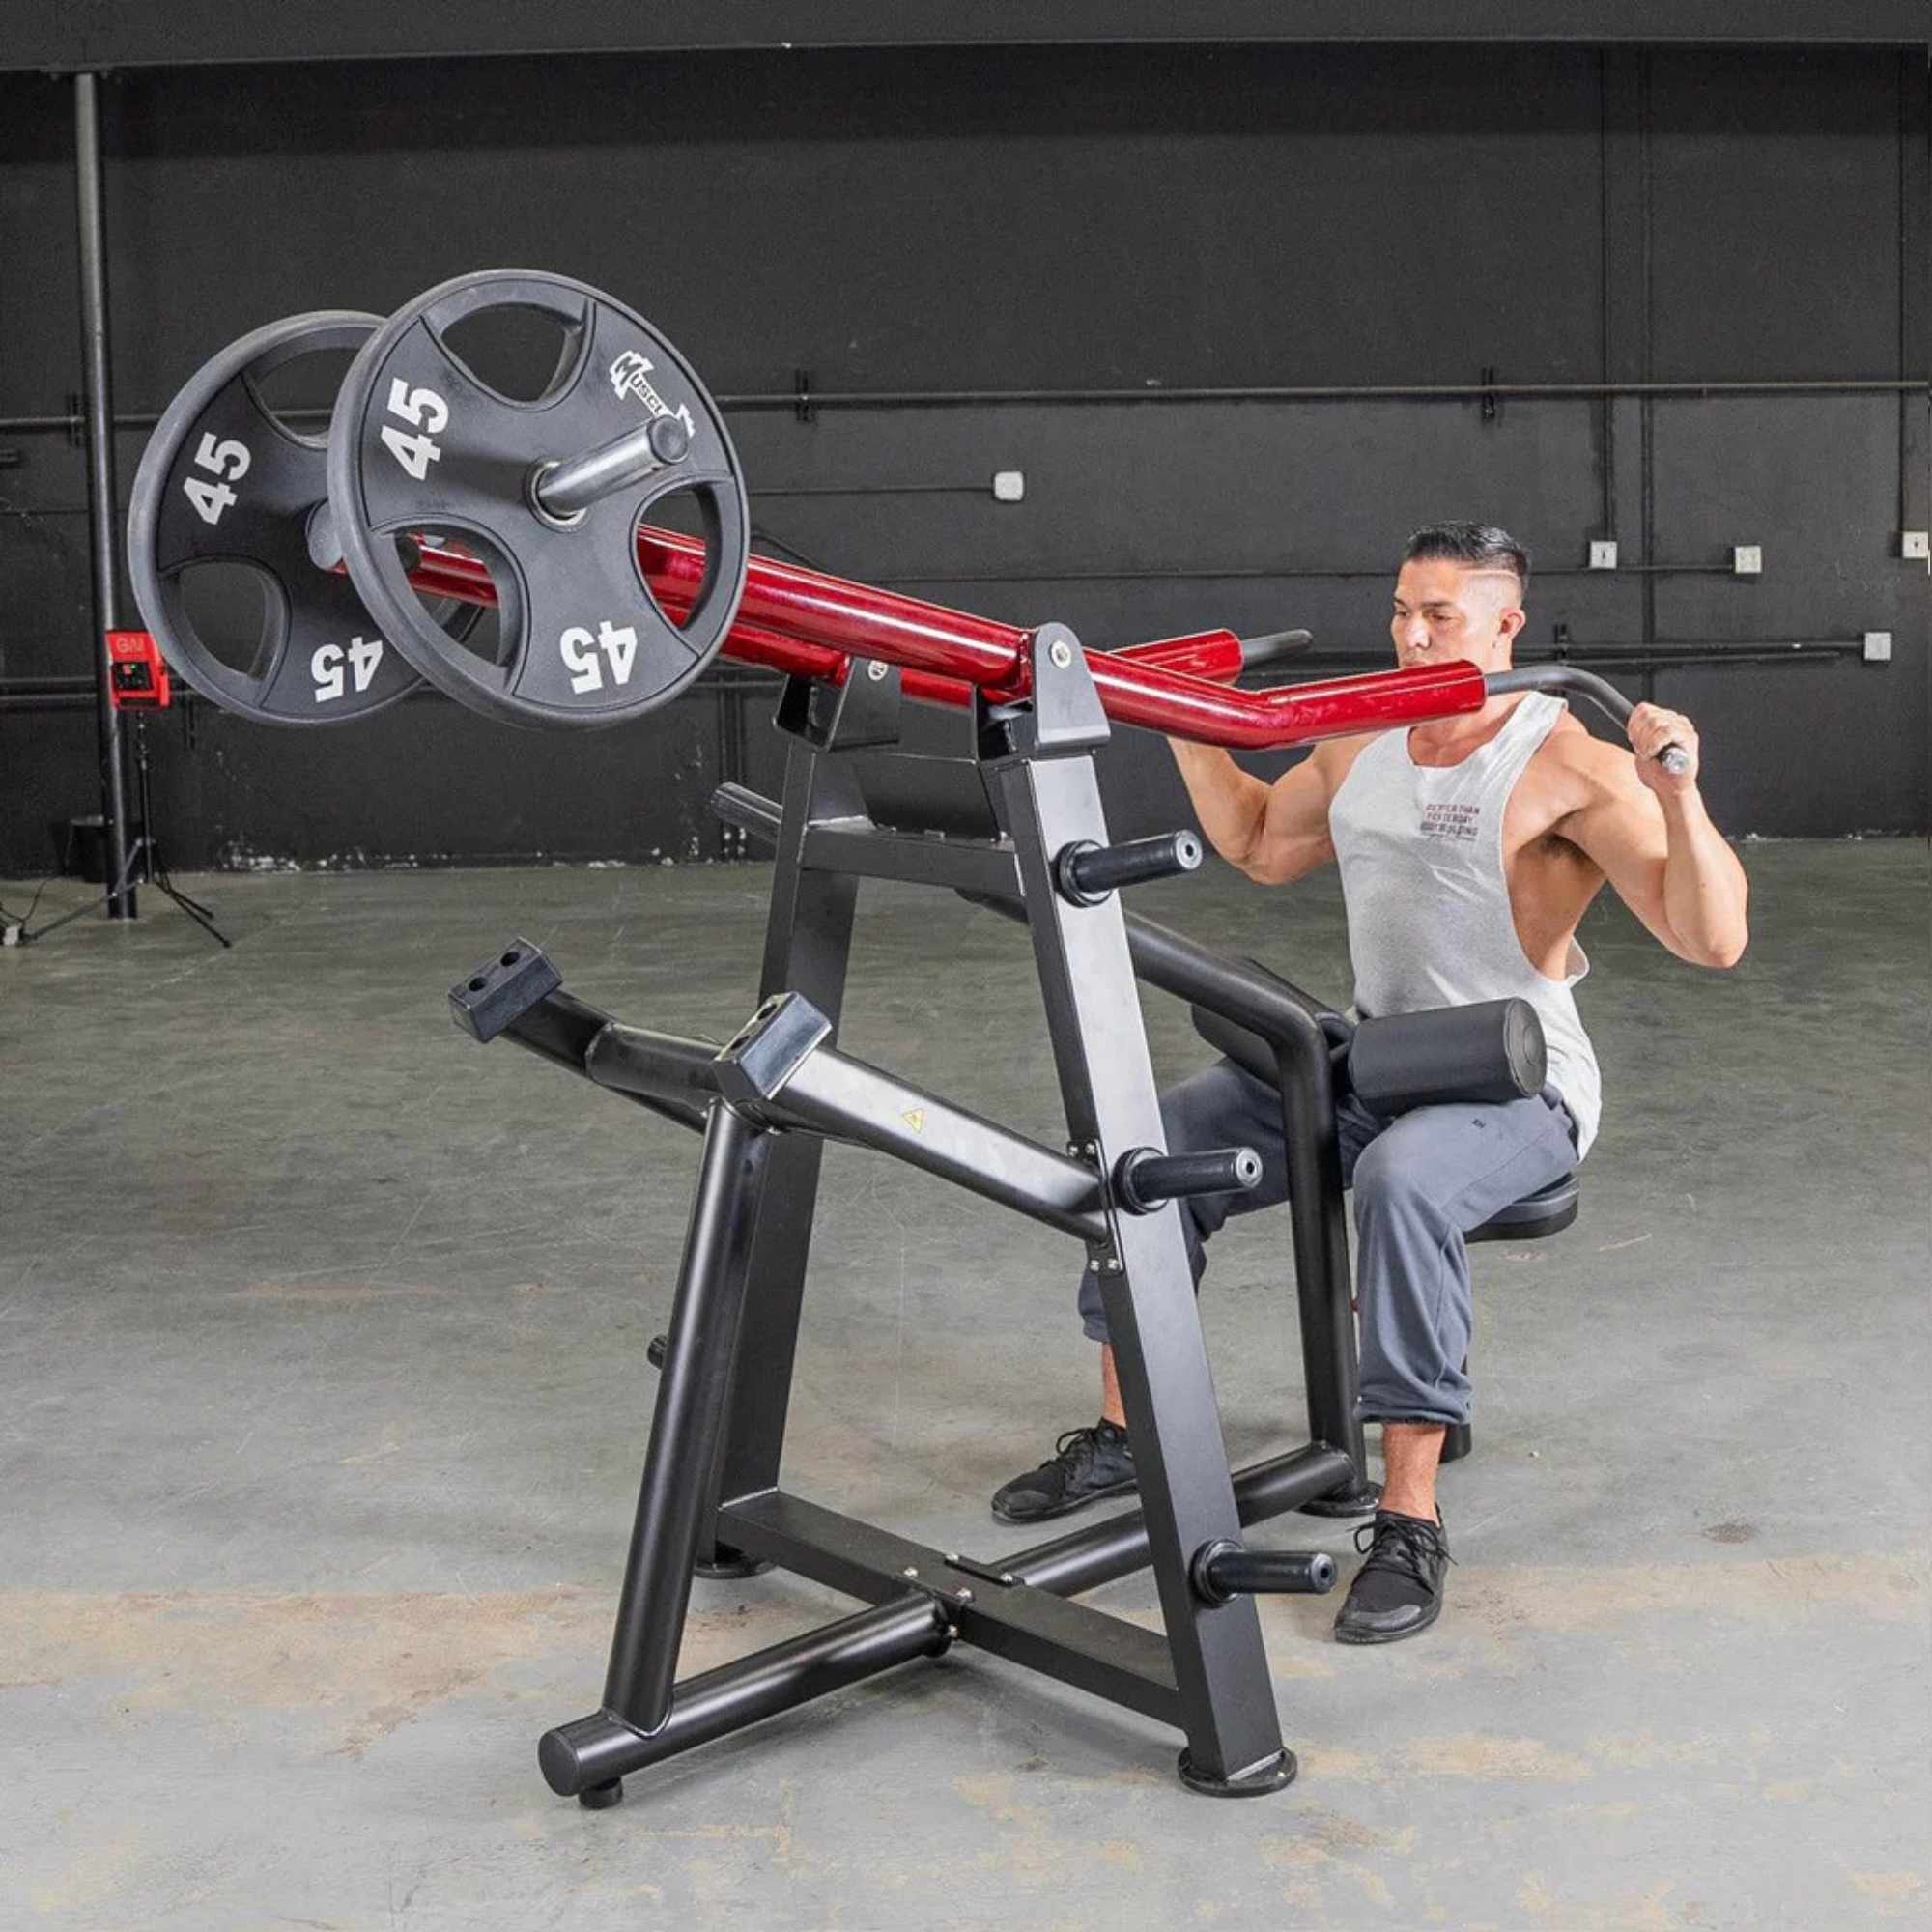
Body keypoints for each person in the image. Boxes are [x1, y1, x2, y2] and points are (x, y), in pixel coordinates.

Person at [991, 523, 1749, 1644]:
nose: (1408, 634)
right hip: (1375, 1054)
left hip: (1513, 1079)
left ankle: (1406, 1517)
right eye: (1401, 609)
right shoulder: (1361, 739)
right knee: (1148, 1144)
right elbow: (1256, 840)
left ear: (1505, 623)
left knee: (1401, 1179)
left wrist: (1675, 796)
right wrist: (1184, 719)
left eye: (1438, 614)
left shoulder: (1567, 763)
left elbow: (1711, 937)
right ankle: (1122, 1431)